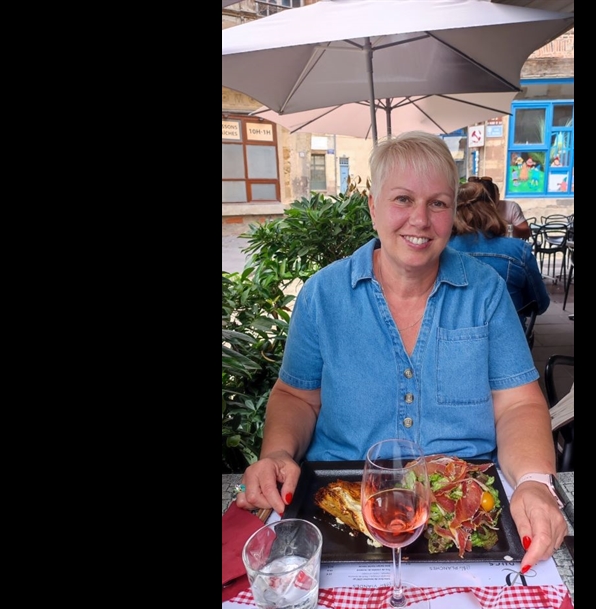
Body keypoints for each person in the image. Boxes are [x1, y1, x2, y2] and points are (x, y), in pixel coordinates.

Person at [235, 131, 567, 571]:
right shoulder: (323, 295)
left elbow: (518, 404)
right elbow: (297, 396)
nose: (420, 219)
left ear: (453, 212)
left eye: (437, 203)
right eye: (403, 199)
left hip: (469, 507)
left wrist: (534, 481)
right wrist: (277, 454)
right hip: (338, 504)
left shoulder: (485, 291)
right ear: (373, 206)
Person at [448, 181, 550, 325]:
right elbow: (540, 304)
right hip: (508, 334)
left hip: (452, 334)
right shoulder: (518, 251)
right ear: (491, 209)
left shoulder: (439, 250)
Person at [468, 176, 532, 241]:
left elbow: (526, 232)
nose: (489, 203)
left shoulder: (511, 207)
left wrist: (506, 227)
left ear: (497, 195)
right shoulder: (470, 209)